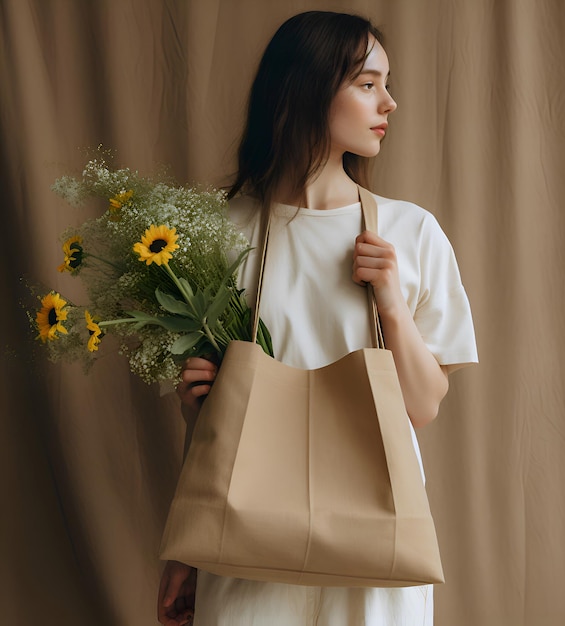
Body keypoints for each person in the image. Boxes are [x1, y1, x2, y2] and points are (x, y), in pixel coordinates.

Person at [157, 10, 478, 626]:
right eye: (367, 83)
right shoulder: (220, 233)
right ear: (305, 88)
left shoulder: (410, 232)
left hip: (375, 534)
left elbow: (424, 405)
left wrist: (388, 299)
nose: (390, 101)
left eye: (385, 83)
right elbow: (211, 427)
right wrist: (186, 543)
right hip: (248, 532)